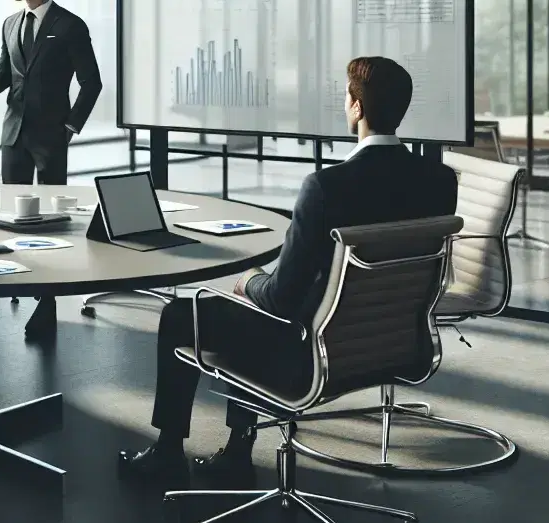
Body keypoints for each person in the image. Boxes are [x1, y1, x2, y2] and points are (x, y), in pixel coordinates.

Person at [118, 55, 458, 487]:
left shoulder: (326, 187)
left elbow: (281, 298)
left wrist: (248, 281)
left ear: (356, 108)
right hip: (393, 344)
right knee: (252, 312)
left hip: (312, 350)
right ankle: (236, 451)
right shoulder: (439, 180)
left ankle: (170, 452)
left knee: (184, 315)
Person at [0, 0, 103, 342]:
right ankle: (5, 280)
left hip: (50, 136)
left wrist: (70, 126)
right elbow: (4, 77)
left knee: (49, 222)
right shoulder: (10, 24)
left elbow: (91, 82)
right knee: (10, 214)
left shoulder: (70, 26)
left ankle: (46, 302)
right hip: (13, 134)